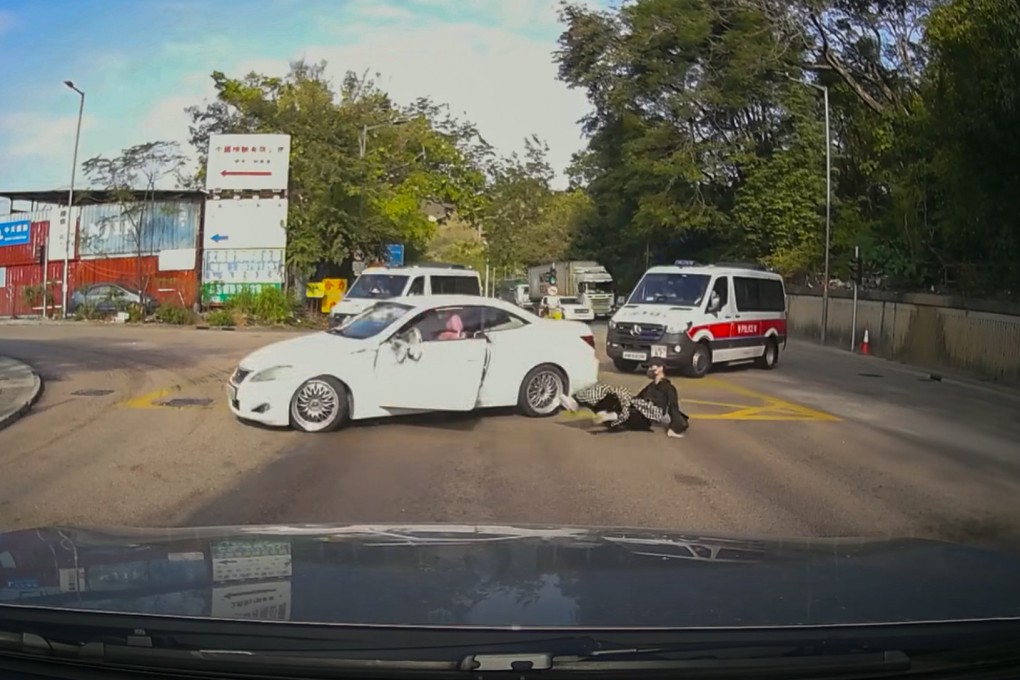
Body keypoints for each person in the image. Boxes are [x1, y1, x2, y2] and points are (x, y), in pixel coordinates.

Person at [558, 358, 689, 438]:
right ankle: (576, 403)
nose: (648, 369)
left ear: (660, 368)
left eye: (651, 366)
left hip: (647, 416)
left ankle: (611, 415)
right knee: (607, 390)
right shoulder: (650, 386)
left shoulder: (668, 388)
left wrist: (674, 428)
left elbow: (673, 408)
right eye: (648, 367)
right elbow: (636, 399)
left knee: (627, 402)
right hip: (633, 412)